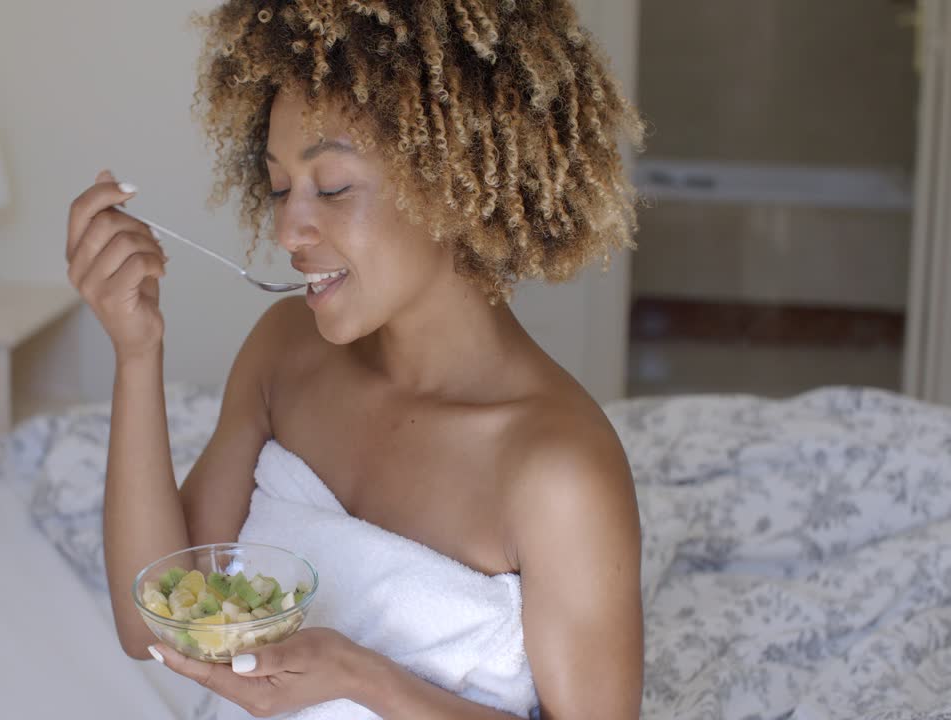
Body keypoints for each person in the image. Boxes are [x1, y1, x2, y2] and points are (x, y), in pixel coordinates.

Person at [65, 1, 644, 717]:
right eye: (278, 187)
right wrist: (136, 351)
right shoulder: (285, 351)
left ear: (455, 184)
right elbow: (150, 624)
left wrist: (365, 677)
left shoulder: (559, 469)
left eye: (331, 187)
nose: (286, 227)